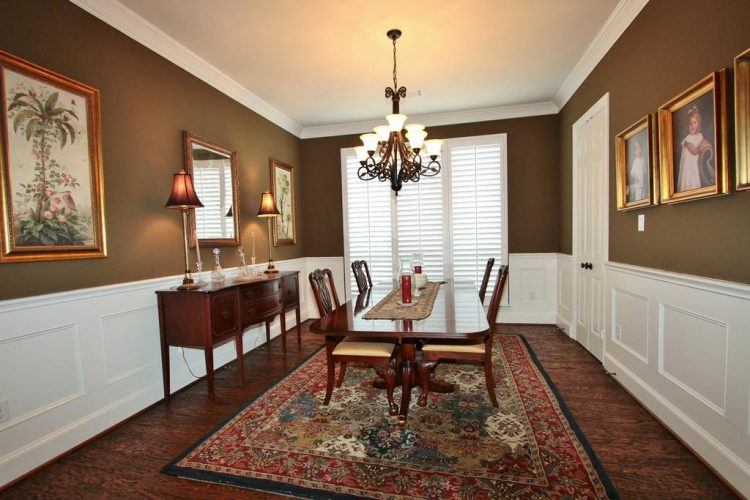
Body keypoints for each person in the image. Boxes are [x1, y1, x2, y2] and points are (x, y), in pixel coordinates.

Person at [677, 105, 713, 191]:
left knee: (695, 183)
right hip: (688, 168)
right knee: (688, 183)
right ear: (687, 125)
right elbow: (694, 151)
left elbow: (704, 143)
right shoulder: (687, 139)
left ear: (698, 123)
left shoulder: (699, 136)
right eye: (690, 124)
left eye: (695, 122)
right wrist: (703, 145)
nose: (692, 126)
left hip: (695, 167)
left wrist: (707, 144)